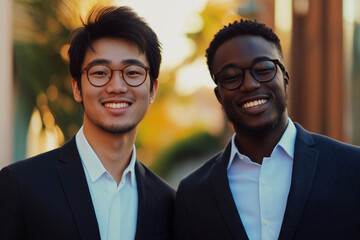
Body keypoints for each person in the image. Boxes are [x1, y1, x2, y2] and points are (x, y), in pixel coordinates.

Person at [173, 19, 360, 240]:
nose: (249, 84)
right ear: (219, 96)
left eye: (263, 69)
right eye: (231, 77)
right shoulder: (192, 194)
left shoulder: (352, 168)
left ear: (285, 78)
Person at [0, 6, 175, 240]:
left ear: (152, 89)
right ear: (77, 88)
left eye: (133, 72)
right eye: (100, 72)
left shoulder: (169, 203)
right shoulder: (20, 185)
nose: (117, 86)